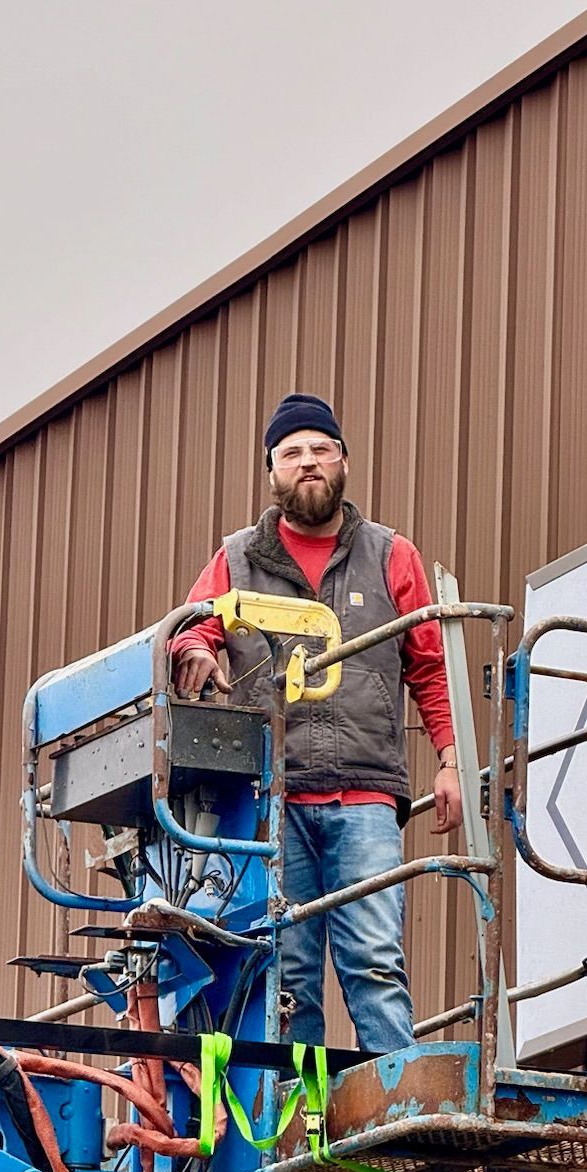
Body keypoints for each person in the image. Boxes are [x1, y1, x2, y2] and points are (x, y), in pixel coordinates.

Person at [170, 393, 462, 1056]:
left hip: (365, 795)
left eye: (320, 450)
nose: (308, 463)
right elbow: (194, 627)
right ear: (270, 472)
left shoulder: (393, 554)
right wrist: (194, 648)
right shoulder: (236, 559)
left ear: (344, 462)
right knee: (288, 973)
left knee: (375, 964)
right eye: (292, 453)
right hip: (274, 800)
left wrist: (449, 761)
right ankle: (303, 1117)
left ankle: (395, 1101)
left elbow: (430, 667)